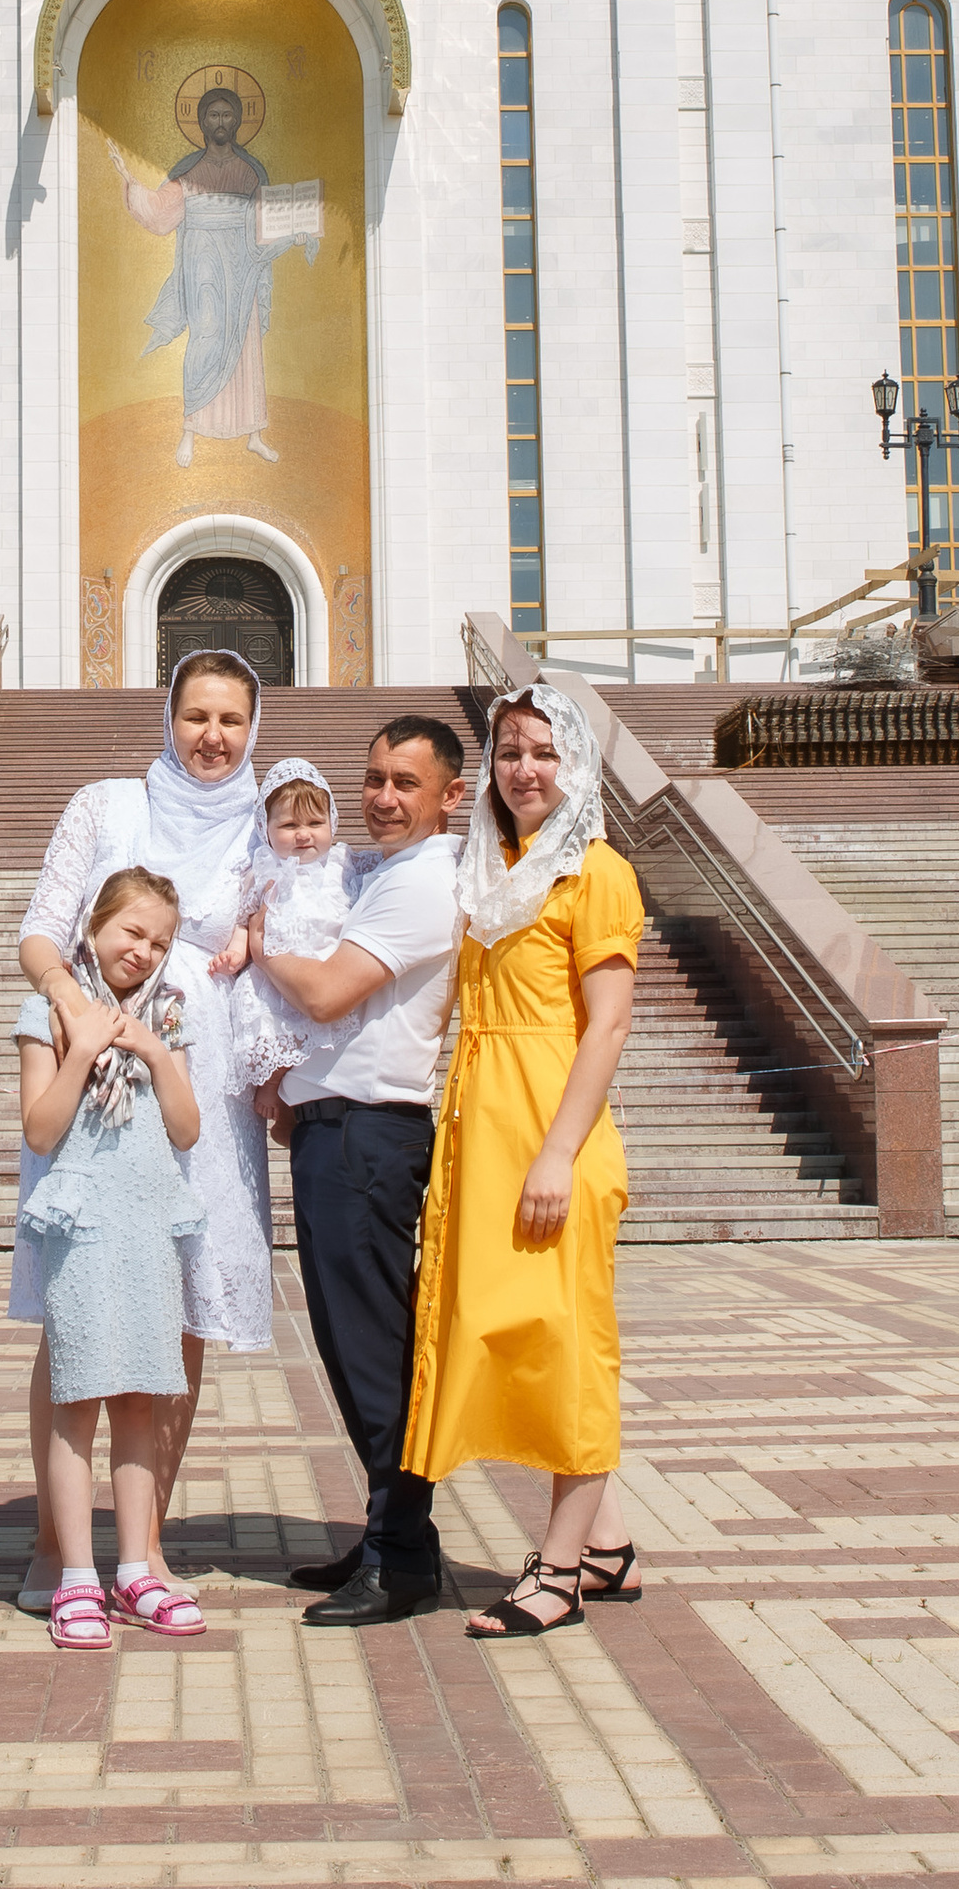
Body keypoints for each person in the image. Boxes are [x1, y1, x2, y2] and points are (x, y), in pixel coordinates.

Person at [13, 649, 271, 1616]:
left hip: (198, 1076)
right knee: (78, 1301)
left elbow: (304, 914)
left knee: (185, 1304)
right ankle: (57, 1544)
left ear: (254, 729)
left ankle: (144, 1548)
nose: (212, 737)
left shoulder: (267, 821)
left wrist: (255, 939)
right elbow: (42, 926)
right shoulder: (105, 805)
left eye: (231, 721)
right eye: (196, 716)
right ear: (169, 716)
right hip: (89, 1067)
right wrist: (70, 1007)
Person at [402, 682, 644, 1638]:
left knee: (567, 1344)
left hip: (554, 1135)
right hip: (482, 1133)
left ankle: (558, 1569)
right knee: (522, 1338)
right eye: (509, 752)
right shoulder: (484, 869)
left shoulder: (595, 870)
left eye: (544, 752)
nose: (525, 769)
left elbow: (610, 1022)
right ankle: (609, 1543)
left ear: (574, 763)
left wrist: (557, 1153)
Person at [251, 713, 469, 1627]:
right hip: (338, 1126)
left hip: (372, 1132)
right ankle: (390, 1533)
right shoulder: (383, 871)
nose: (382, 797)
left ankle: (403, 1553)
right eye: (374, 779)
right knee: (348, 1342)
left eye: (404, 784)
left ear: (451, 796)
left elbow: (331, 989)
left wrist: (261, 945)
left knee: (374, 1347)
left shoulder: (420, 882)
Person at [14, 865, 209, 1649]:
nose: (143, 950)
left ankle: (136, 1568)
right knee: (77, 1399)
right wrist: (82, 1045)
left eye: (159, 941)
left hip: (146, 1220)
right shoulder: (48, 1011)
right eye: (131, 931)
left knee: (140, 1398)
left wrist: (157, 1055)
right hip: (85, 1221)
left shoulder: (169, 1014)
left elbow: (188, 1129)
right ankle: (76, 1576)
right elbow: (40, 1129)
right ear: (95, 925)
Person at [106, 84, 316, 466]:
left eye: (227, 115)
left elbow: (263, 223)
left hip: (241, 261)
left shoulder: (251, 171)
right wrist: (130, 182)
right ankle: (190, 430)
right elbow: (159, 211)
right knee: (205, 334)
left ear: (237, 121)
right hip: (203, 258)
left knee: (245, 339)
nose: (220, 122)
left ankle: (254, 432)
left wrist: (294, 231)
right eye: (213, 115)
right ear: (202, 122)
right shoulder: (190, 171)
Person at [207, 757, 352, 1094]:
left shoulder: (344, 863)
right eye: (288, 826)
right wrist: (235, 952)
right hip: (277, 974)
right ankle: (273, 1083)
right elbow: (245, 919)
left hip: (330, 968)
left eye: (315, 823)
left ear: (331, 823)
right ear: (265, 830)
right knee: (276, 1025)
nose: (303, 835)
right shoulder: (263, 871)